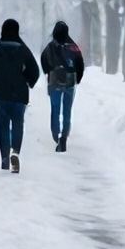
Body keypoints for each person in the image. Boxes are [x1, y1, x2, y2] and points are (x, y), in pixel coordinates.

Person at [0, 19, 40, 173]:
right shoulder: (23, 50)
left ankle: (5, 158)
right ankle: (15, 152)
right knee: (18, 124)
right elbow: (34, 71)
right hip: (19, 95)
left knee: (3, 126)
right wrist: (27, 81)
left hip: (1, 94)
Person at [40, 21, 86, 152]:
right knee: (67, 111)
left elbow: (43, 61)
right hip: (70, 82)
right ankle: (64, 136)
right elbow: (80, 64)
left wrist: (49, 71)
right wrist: (78, 78)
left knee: (55, 110)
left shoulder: (50, 46)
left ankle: (56, 135)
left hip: (54, 82)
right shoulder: (73, 47)